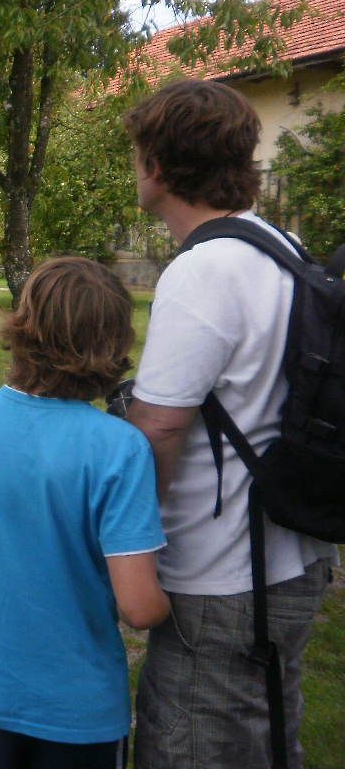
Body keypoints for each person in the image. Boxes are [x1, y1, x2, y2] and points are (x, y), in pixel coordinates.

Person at [124, 79, 337, 769]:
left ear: (157, 166)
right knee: (270, 733)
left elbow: (158, 428)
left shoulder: (204, 270)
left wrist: (134, 537)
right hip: (291, 552)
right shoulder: (281, 246)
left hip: (221, 573)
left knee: (191, 742)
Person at [0, 256, 169, 769]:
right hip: (76, 708)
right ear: (114, 343)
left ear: (24, 327)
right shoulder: (119, 448)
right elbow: (140, 608)